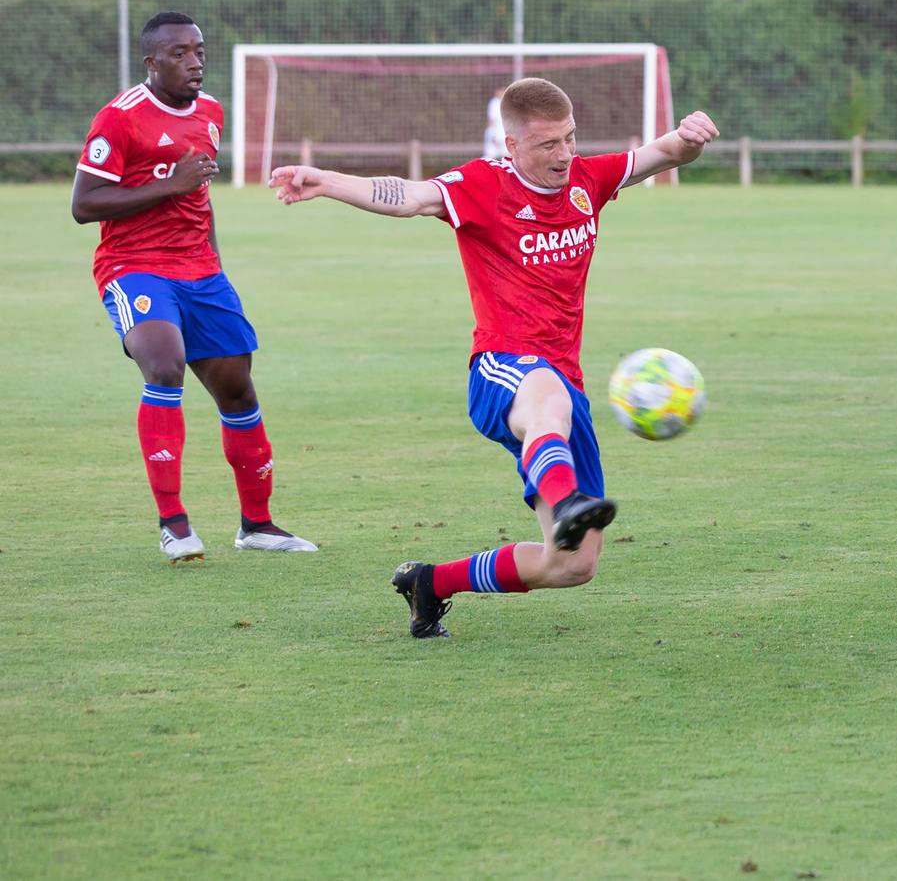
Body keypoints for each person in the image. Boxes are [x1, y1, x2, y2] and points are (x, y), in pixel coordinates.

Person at [268, 78, 718, 638]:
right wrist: (327, 181)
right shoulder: (482, 185)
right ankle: (567, 496)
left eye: (570, 138)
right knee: (547, 399)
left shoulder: (588, 180)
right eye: (548, 145)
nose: (564, 154)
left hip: (561, 385)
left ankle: (431, 583)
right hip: (502, 368)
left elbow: (668, 151)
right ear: (512, 147)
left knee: (573, 565)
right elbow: (408, 196)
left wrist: (692, 136)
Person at [71, 11, 316, 563]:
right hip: (133, 265)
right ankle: (174, 524)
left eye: (199, 51)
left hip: (201, 271)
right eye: (180, 53)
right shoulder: (120, 118)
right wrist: (169, 183)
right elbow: (83, 205)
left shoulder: (210, 112)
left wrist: (216, 271)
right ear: (151, 62)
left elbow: (199, 203)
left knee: (238, 390)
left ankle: (258, 525)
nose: (195, 62)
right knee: (164, 365)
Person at [483, 86, 508, 159]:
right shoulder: (494, 103)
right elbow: (492, 120)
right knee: (490, 156)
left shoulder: (506, 103)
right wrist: (493, 134)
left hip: (503, 134)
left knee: (507, 156)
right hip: (496, 134)